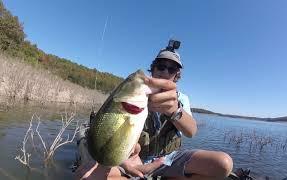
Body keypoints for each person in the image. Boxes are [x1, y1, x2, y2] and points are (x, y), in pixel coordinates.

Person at [75, 40, 233, 180]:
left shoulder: (181, 99)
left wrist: (175, 111)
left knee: (223, 164)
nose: (165, 72)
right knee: (86, 175)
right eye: (161, 66)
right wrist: (124, 161)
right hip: (135, 160)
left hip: (168, 159)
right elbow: (110, 131)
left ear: (176, 75)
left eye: (171, 69)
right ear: (153, 68)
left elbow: (191, 131)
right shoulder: (133, 94)